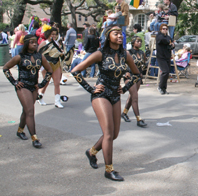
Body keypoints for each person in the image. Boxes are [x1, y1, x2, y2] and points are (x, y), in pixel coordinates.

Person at [71, 25, 141, 181]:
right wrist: (90, 89)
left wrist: (125, 88)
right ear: (108, 36)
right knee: (108, 133)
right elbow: (75, 71)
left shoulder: (125, 54)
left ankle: (91, 152)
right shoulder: (100, 54)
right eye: (116, 34)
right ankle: (109, 170)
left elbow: (137, 75)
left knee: (114, 134)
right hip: (101, 95)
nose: (120, 36)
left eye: (121, 34)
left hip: (115, 94)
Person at [3, 34, 53, 148]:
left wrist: (41, 84)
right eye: (31, 42)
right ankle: (34, 138)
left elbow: (49, 71)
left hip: (33, 87)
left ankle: (20, 131)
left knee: (26, 111)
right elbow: (5, 68)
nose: (35, 44)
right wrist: (14, 82)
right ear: (26, 44)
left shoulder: (40, 56)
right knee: (30, 111)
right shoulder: (20, 57)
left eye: (35, 42)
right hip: (23, 86)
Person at [121, 36, 147, 127]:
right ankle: (139, 119)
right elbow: (122, 64)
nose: (139, 43)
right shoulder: (128, 52)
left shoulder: (142, 52)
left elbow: (144, 64)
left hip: (138, 77)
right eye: (137, 41)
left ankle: (124, 113)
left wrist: (141, 73)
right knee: (135, 97)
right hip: (129, 77)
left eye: (140, 41)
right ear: (133, 42)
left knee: (132, 96)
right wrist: (125, 72)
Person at [38, 26, 65, 108]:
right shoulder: (44, 43)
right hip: (46, 66)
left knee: (57, 83)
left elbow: (60, 53)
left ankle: (57, 101)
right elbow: (38, 54)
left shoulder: (57, 43)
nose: (54, 36)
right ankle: (40, 97)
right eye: (52, 34)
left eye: (55, 34)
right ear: (48, 34)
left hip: (56, 64)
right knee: (45, 82)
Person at [156, 24, 174, 95]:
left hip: (167, 56)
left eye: (166, 29)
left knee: (167, 73)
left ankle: (164, 88)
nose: (165, 30)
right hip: (161, 57)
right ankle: (160, 87)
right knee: (165, 71)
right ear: (161, 29)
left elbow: (171, 42)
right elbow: (163, 40)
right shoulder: (159, 36)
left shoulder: (168, 37)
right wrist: (169, 41)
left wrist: (172, 45)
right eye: (163, 29)